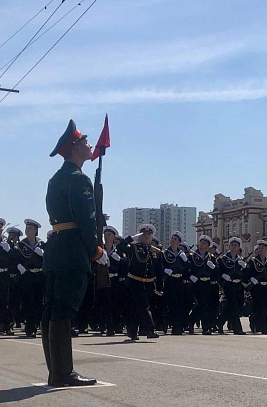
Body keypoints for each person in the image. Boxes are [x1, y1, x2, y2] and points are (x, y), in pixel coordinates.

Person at [43, 119, 105, 386]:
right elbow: (86, 219)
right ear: (76, 147)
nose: (90, 145)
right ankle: (63, 372)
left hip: (58, 247)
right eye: (85, 141)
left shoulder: (56, 178)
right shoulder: (79, 179)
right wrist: (95, 248)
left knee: (53, 310)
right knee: (63, 311)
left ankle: (55, 370)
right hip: (72, 251)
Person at [118, 224, 164, 340]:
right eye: (144, 234)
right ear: (140, 236)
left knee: (137, 308)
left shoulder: (157, 252)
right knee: (144, 306)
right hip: (135, 282)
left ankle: (132, 332)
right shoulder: (133, 248)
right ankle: (150, 329)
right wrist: (132, 238)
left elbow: (159, 270)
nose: (147, 236)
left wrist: (159, 287)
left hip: (149, 283)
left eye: (149, 234)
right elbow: (120, 247)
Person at [16, 219, 46, 338]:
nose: (28, 230)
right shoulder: (20, 245)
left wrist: (44, 254)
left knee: (39, 302)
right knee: (28, 302)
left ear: (35, 231)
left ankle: (39, 326)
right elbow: (15, 258)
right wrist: (19, 266)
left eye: (30, 228)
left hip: (39, 275)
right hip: (27, 276)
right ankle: (30, 328)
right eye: (27, 228)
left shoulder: (42, 244)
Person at [216, 236, 247, 335]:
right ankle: (237, 328)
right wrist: (223, 275)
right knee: (233, 305)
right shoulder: (223, 259)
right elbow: (218, 270)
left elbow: (245, 274)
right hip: (229, 284)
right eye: (232, 245)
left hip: (238, 285)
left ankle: (220, 321)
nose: (234, 246)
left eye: (236, 245)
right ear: (229, 246)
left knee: (238, 305)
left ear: (239, 248)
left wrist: (245, 268)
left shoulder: (241, 260)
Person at [244, 239, 267, 334]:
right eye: (259, 248)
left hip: (265, 287)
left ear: (266, 250)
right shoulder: (253, 261)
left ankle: (256, 322)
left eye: (263, 248)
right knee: (258, 306)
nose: (260, 249)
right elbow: (247, 273)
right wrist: (252, 278)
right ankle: (264, 328)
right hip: (256, 287)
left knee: (265, 306)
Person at [188, 235, 215, 334]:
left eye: (204, 243)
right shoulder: (192, 256)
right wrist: (191, 276)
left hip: (207, 283)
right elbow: (187, 269)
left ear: (208, 246)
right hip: (197, 283)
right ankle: (205, 327)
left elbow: (216, 273)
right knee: (202, 304)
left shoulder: (211, 258)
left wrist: (213, 268)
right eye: (201, 243)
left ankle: (191, 321)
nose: (202, 245)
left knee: (204, 305)